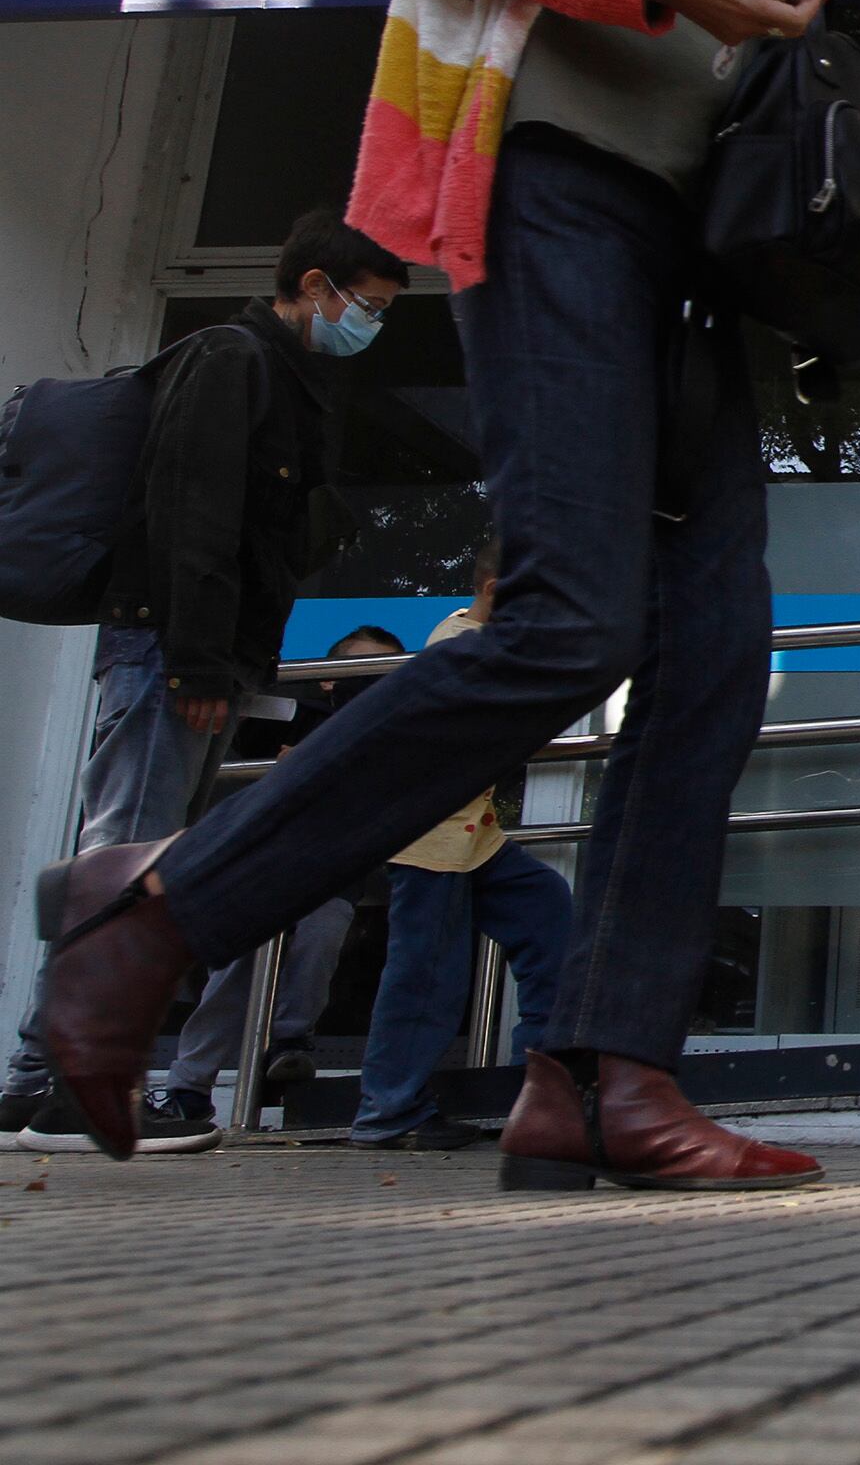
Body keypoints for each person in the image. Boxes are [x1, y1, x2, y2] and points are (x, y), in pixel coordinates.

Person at [24, 0, 853, 1187]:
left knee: (712, 651)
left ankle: (600, 1078)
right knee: (568, 621)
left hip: (682, 245)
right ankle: (157, 918)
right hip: (554, 197)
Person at [3, 213, 405, 1155]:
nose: (371, 325)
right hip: (175, 651)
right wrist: (196, 660)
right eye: (370, 306)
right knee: (127, 861)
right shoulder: (232, 360)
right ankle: (68, 1083)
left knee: (134, 862)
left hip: (202, 653)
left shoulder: (290, 377)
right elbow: (193, 512)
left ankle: (38, 1073)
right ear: (315, 285)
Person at [139, 627, 408, 1149]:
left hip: (330, 866)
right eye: (361, 669)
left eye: (384, 671)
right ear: (329, 679)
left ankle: (290, 1041)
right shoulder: (294, 714)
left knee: (321, 936)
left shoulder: (392, 729)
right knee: (236, 966)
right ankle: (188, 1088)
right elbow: (234, 741)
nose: (371, 682)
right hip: (263, 862)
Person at [349, 546, 575, 1151]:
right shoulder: (461, 646)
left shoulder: (478, 639)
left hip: (472, 833)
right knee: (425, 977)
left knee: (547, 909)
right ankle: (387, 1111)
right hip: (432, 836)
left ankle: (551, 1080)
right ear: (497, 590)